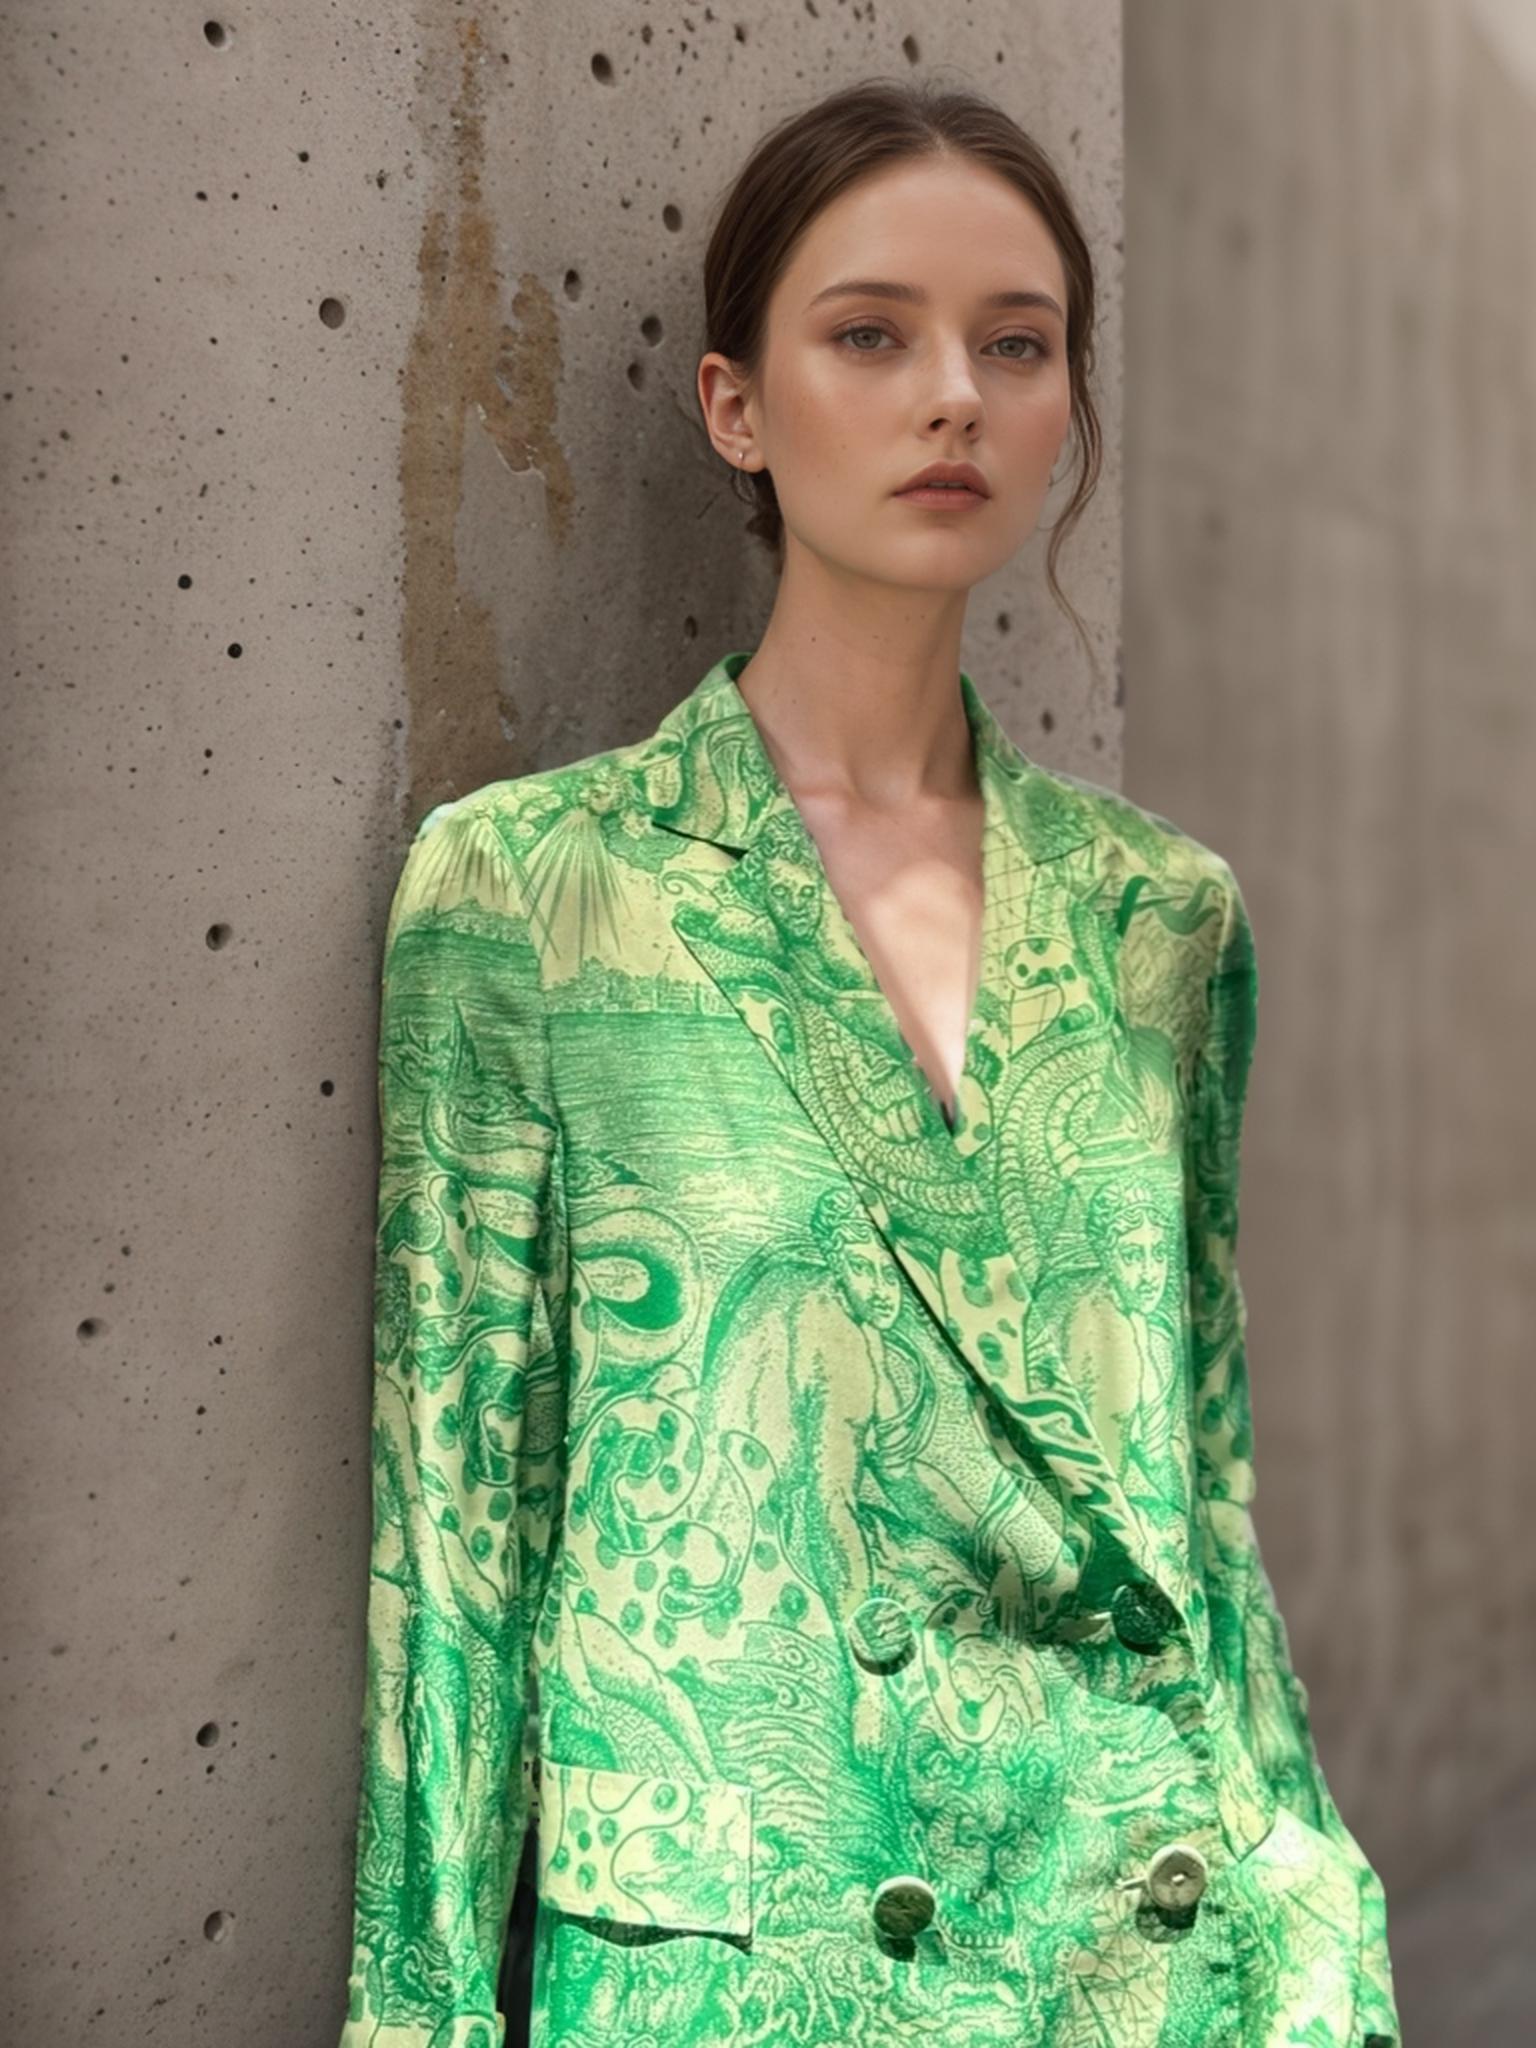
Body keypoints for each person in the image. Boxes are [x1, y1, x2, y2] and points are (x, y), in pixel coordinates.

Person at [336, 76, 1400, 2048]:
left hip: (1146, 1949)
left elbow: (1199, 1478)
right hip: (746, 1976)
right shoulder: (531, 892)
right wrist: (420, 2016)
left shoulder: (1164, 917)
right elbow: (457, 1545)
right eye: (870, 334)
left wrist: (1308, 1882)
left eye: (1019, 344)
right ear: (738, 404)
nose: (956, 397)